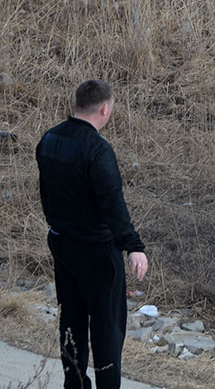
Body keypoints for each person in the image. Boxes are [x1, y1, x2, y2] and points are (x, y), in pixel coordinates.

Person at [36, 80, 147, 389]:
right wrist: (134, 246)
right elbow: (113, 204)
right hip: (97, 251)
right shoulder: (98, 150)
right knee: (107, 328)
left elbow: (46, 194)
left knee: (70, 319)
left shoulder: (49, 139)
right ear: (104, 109)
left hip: (62, 243)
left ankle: (75, 383)